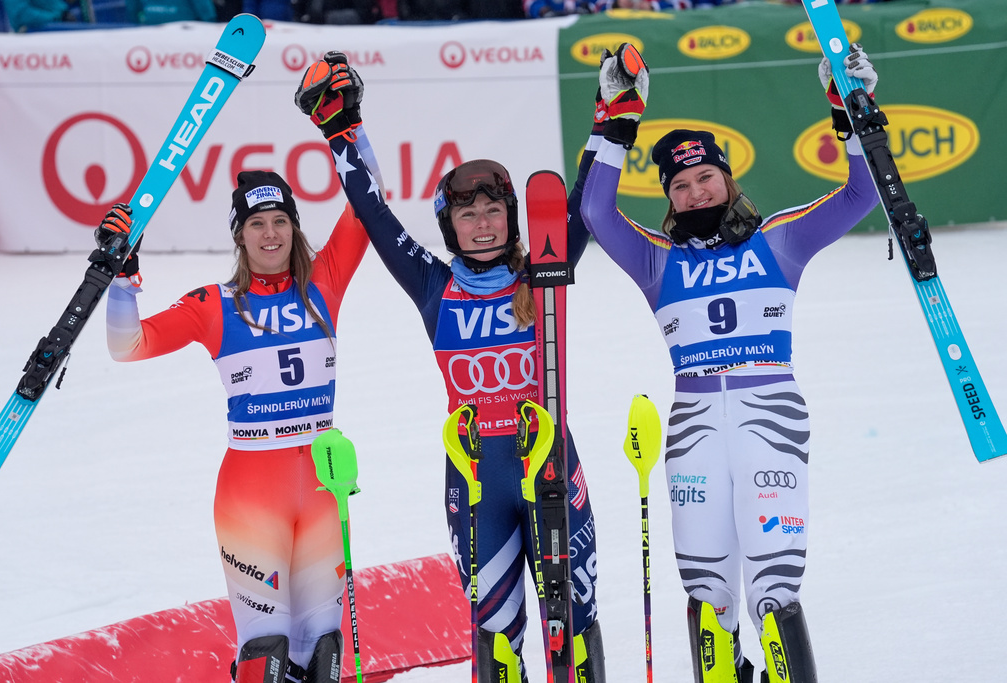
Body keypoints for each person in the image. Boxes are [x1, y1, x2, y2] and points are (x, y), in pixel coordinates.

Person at [292, 52, 606, 683]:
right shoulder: (434, 287)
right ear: (450, 227)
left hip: (548, 464)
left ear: (512, 218)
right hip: (475, 477)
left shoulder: (542, 269)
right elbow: (375, 216)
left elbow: (586, 205)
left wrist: (612, 123)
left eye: (493, 212)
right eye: (468, 214)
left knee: (572, 626)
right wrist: (341, 131)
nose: (483, 225)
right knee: (495, 635)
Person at [580, 44, 880, 682]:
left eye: (705, 178)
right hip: (693, 427)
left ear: (728, 178)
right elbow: (596, 212)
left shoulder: (781, 239)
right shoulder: (658, 259)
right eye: (680, 185)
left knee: (773, 590)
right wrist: (617, 121)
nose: (695, 192)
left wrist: (850, 110)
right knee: (708, 595)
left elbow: (862, 194)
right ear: (670, 197)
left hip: (769, 415)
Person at [98, 134, 374, 680]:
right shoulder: (214, 304)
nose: (270, 234)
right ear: (239, 235)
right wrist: (122, 279)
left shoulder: (325, 281)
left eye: (280, 221)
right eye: (257, 224)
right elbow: (126, 346)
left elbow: (368, 204)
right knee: (265, 652)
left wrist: (349, 130)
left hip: (322, 489)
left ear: (294, 227)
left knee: (323, 650)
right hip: (252, 497)